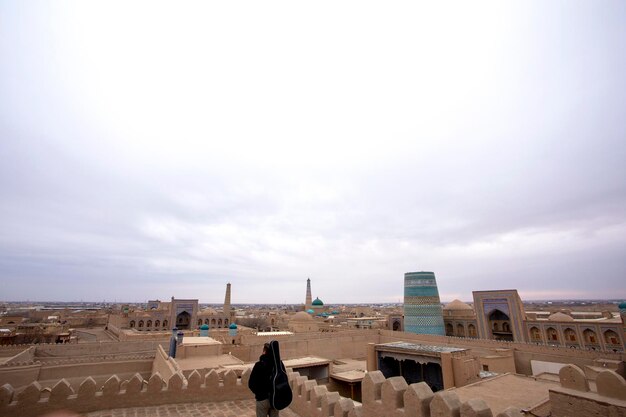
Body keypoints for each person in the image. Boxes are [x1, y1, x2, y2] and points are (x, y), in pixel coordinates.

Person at [249, 341, 290, 417]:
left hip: (262, 400)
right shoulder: (279, 364)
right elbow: (283, 379)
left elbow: (251, 384)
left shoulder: (259, 365)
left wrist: (259, 394)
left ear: (264, 351)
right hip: (275, 398)